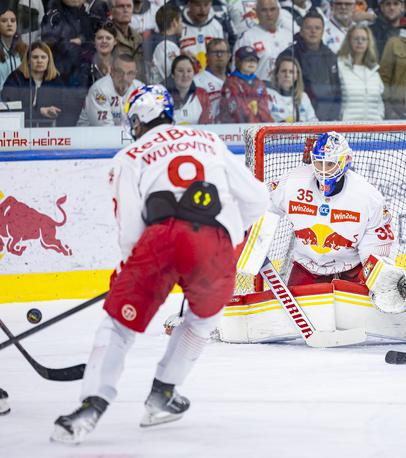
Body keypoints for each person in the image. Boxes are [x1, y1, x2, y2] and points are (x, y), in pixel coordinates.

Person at [50, 84, 269, 444]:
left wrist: (130, 273)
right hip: (214, 245)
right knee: (201, 322)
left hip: (161, 240)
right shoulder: (207, 139)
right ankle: (163, 395)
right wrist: (227, 236)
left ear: (138, 119)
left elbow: (131, 230)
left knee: (119, 325)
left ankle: (90, 406)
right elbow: (258, 199)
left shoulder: (130, 155)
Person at [269, 131, 395, 284]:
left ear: (345, 160)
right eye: (319, 163)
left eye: (329, 164)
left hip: (351, 271)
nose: (323, 171)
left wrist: (374, 278)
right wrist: (254, 247)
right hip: (307, 268)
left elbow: (376, 247)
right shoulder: (292, 182)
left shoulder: (367, 196)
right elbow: (262, 206)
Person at [279, 10, 342, 121]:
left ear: (323, 31)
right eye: (309, 28)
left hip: (327, 120)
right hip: (300, 119)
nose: (313, 31)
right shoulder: (289, 54)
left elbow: (336, 91)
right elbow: (283, 90)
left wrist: (332, 118)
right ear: (301, 31)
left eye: (317, 28)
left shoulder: (330, 56)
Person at [1, 41, 67, 126]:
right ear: (28, 60)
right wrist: (39, 112)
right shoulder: (15, 78)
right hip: (19, 129)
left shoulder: (56, 81)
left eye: (43, 57)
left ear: (49, 61)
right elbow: (9, 108)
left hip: (49, 132)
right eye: (35, 57)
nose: (39, 61)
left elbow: (65, 109)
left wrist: (55, 112)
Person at [232, 0, 291, 81]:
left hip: (286, 91)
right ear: (256, 12)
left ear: (278, 11)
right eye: (264, 10)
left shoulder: (289, 36)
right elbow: (236, 74)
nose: (269, 14)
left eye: (272, 9)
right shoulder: (247, 38)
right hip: (259, 91)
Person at [77, 53, 142, 126]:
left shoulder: (140, 89)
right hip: (89, 135)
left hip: (123, 135)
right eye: (120, 72)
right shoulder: (99, 90)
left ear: (135, 74)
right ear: (112, 71)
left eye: (130, 73)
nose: (125, 78)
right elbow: (105, 130)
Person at [337, 24, 384, 121]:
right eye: (356, 38)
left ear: (368, 42)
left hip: (373, 128)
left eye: (364, 39)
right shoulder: (340, 67)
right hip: (348, 127)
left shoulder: (374, 71)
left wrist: (380, 117)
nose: (360, 42)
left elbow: (379, 102)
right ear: (349, 41)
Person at [219, 45, 273, 123]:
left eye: (254, 60)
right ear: (238, 62)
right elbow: (239, 111)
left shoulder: (259, 83)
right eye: (247, 60)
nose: (251, 63)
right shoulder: (231, 82)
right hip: (236, 128)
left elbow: (264, 109)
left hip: (258, 127)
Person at [267, 54, 318, 122]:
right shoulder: (268, 94)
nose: (287, 75)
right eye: (283, 71)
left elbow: (314, 123)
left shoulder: (303, 97)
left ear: (297, 76)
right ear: (277, 74)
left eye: (291, 72)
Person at [166, 54, 212, 124]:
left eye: (189, 71)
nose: (185, 75)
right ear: (172, 74)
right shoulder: (163, 95)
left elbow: (207, 126)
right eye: (180, 71)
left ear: (193, 73)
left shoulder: (202, 95)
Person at [193, 37, 230, 120]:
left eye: (222, 52)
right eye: (215, 52)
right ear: (207, 57)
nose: (219, 55)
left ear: (229, 56)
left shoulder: (235, 81)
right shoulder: (197, 82)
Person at [111, 0, 145, 82]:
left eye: (129, 6)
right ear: (112, 11)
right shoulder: (107, 36)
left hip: (137, 87)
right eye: (121, 6)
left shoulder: (138, 38)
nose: (126, 10)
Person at [148, 3, 182, 84]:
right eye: (181, 21)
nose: (182, 25)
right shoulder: (165, 45)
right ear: (174, 22)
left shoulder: (165, 43)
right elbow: (178, 78)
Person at [78, 20, 117, 88]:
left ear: (115, 42)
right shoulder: (84, 66)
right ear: (94, 41)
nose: (104, 41)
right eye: (100, 38)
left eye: (108, 38)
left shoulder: (121, 65)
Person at [0, 5, 26, 92]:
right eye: (4, 21)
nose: (9, 24)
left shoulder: (25, 49)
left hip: (19, 97)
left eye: (13, 21)